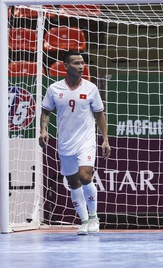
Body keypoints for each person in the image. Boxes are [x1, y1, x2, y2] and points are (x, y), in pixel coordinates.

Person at [39, 51, 111, 235]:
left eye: (82, 63)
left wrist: (105, 140)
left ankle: (94, 218)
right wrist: (43, 130)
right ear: (65, 66)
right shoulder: (54, 89)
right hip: (65, 142)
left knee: (86, 176)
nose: (81, 66)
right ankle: (84, 220)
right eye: (76, 63)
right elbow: (46, 111)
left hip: (86, 140)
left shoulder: (90, 88)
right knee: (73, 182)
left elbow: (99, 115)